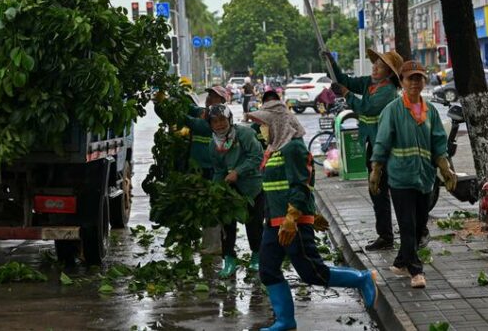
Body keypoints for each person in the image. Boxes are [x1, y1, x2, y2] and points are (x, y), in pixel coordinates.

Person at [246, 101, 377, 331]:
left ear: (276, 124)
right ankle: (285, 321)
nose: (261, 129)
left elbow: (302, 183)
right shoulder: (273, 149)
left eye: (264, 124)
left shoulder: (293, 148)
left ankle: (361, 278)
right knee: (267, 270)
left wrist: (294, 217)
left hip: (291, 223)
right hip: (273, 223)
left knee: (312, 272)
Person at [371, 60, 457, 288]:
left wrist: (445, 167)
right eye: (410, 78)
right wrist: (376, 170)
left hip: (425, 178)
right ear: (402, 81)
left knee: (419, 226)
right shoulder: (393, 110)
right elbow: (381, 142)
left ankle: (401, 261)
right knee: (408, 225)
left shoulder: (431, 112)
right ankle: (415, 271)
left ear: (424, 81)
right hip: (400, 177)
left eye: (419, 78)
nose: (415, 83)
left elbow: (439, 142)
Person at [322, 48, 403, 251]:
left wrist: (346, 94)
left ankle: (388, 236)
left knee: (381, 190)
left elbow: (366, 108)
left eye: (381, 66)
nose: (375, 67)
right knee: (376, 191)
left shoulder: (387, 91)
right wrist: (331, 62)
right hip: (372, 143)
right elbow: (346, 81)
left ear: (390, 73)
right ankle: (385, 234)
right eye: (375, 64)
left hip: (384, 146)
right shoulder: (370, 83)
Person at [155, 84, 229, 254]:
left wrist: (179, 111)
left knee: (211, 207)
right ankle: (207, 243)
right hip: (198, 169)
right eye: (209, 95)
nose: (210, 98)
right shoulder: (205, 112)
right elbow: (190, 108)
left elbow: (193, 122)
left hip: (213, 169)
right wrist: (168, 98)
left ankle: (215, 245)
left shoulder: (219, 117)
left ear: (222, 101)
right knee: (200, 206)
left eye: (214, 96)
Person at [207, 104, 265, 277]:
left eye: (222, 120)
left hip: (252, 188)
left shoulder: (245, 134)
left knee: (254, 225)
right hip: (229, 190)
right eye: (215, 122)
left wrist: (237, 172)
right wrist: (215, 189)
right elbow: (218, 170)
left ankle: (257, 256)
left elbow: (257, 156)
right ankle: (229, 260)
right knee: (227, 226)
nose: (219, 125)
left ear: (230, 120)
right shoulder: (213, 144)